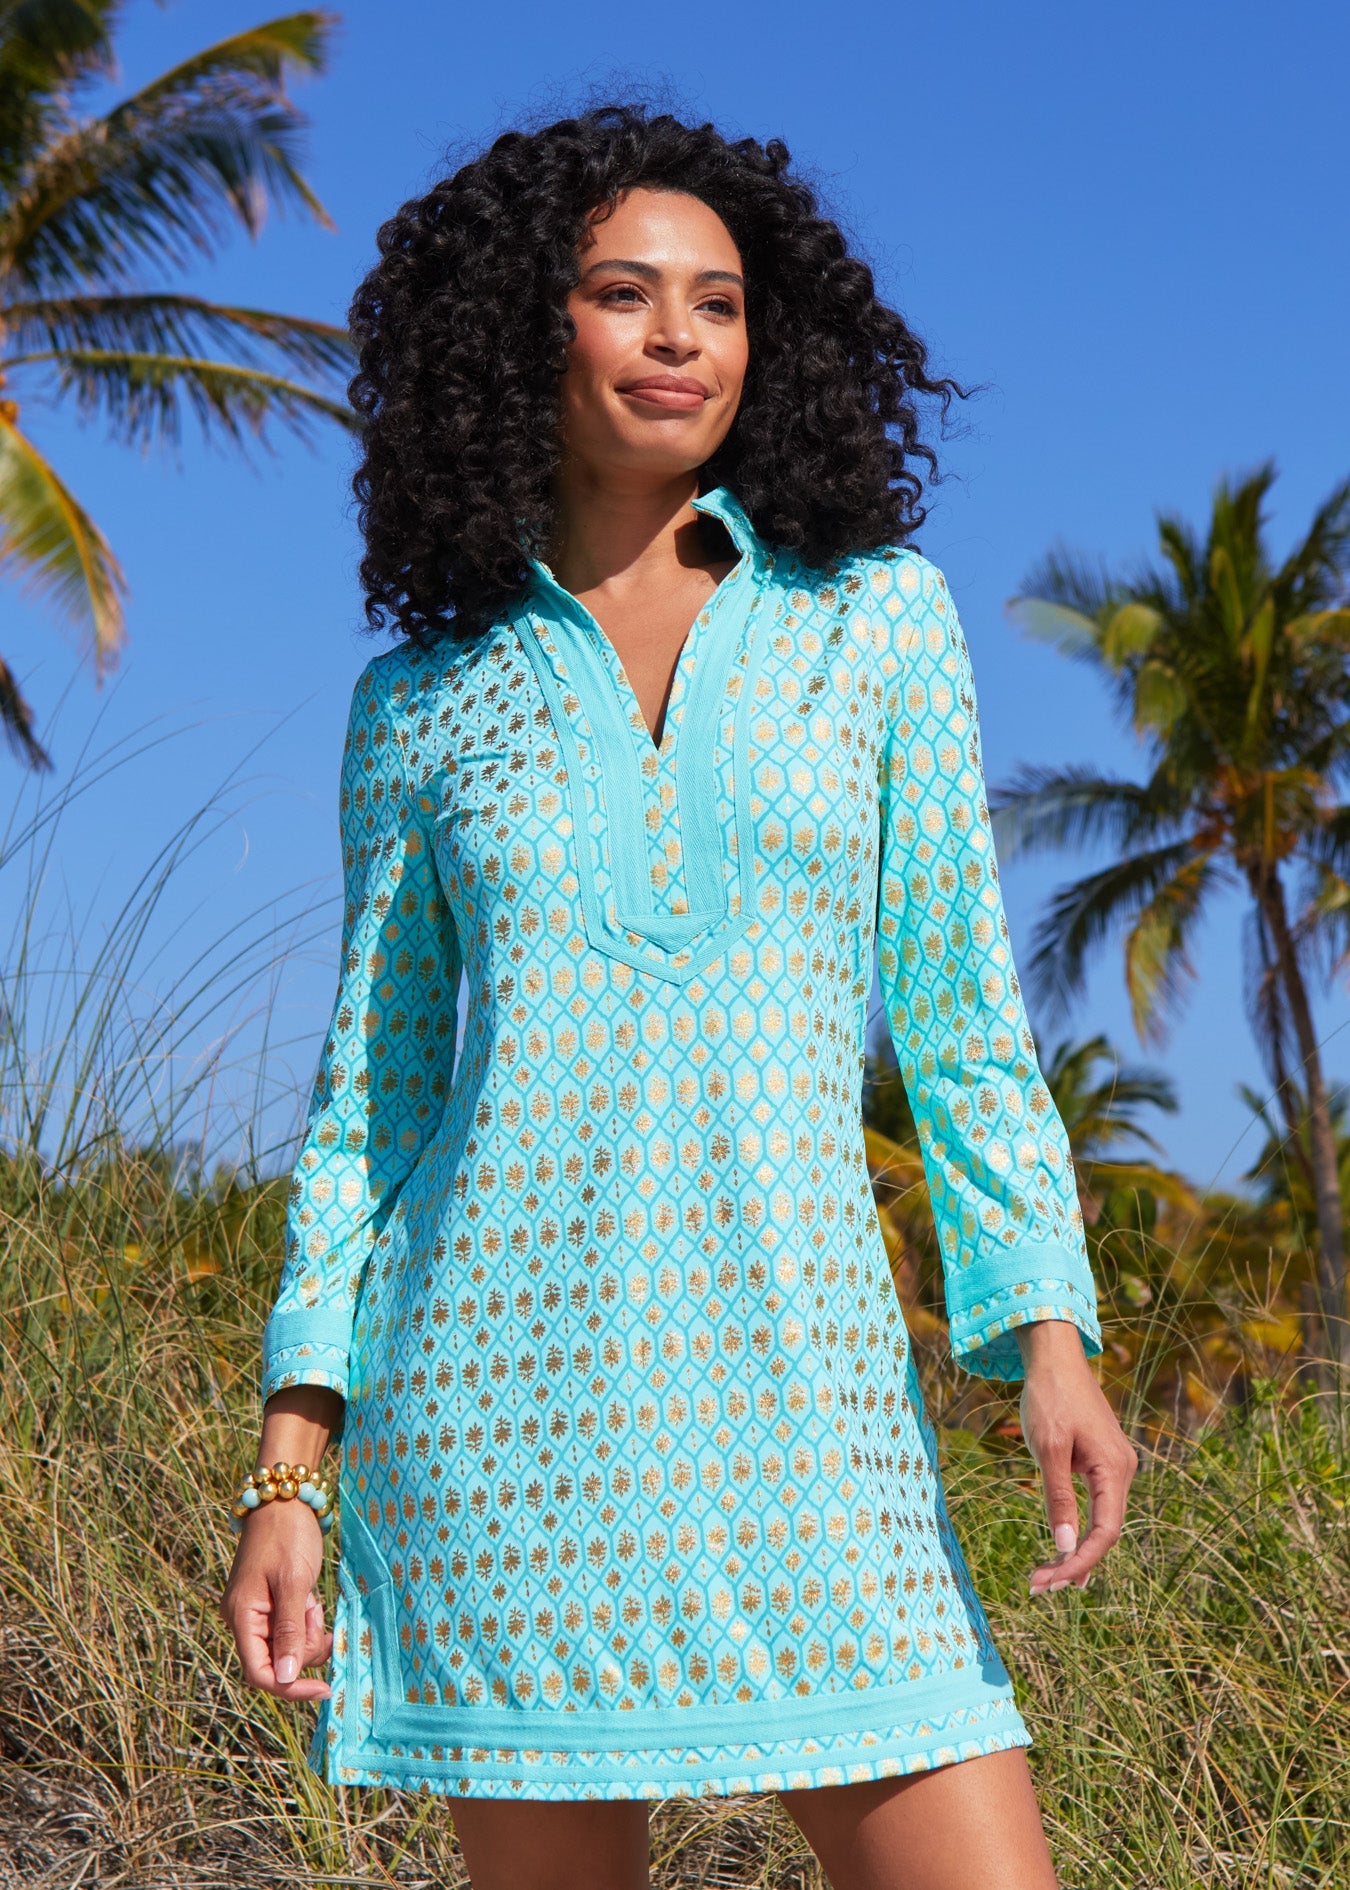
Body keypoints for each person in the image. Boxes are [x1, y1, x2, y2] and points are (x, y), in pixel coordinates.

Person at [220, 102, 1138, 1890]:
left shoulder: (874, 622)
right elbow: (373, 1103)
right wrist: (289, 1471)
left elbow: (957, 1012)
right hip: (500, 1426)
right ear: (521, 329)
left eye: (714, 304)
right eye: (624, 294)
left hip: (807, 1419)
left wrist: (1049, 1333)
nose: (676, 339)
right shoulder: (422, 705)